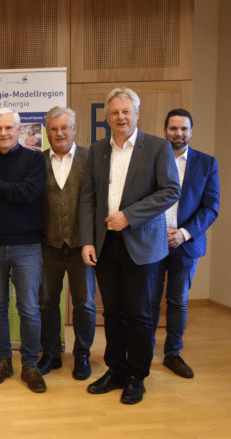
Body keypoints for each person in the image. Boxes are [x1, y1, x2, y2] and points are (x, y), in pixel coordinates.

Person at [79, 88, 180, 404]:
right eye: (114, 112)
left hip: (142, 244)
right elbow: (88, 198)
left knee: (138, 313)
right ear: (107, 117)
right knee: (112, 312)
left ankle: (137, 375)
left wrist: (129, 216)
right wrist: (87, 240)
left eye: (126, 111)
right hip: (106, 244)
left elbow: (170, 191)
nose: (120, 117)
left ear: (136, 113)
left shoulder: (158, 147)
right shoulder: (97, 150)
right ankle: (116, 369)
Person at [0, 108, 48, 393]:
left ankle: (30, 365)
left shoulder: (35, 159)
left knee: (29, 308)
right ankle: (2, 360)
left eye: (9, 128)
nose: (3, 133)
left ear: (19, 130)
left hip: (27, 246)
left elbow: (28, 193)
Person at [151, 109, 219, 379]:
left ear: (191, 131)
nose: (178, 133)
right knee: (149, 299)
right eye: (173, 128)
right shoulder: (153, 159)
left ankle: (172, 353)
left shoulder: (206, 163)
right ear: (165, 130)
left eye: (184, 129)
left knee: (178, 300)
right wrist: (158, 230)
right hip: (153, 241)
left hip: (186, 243)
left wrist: (184, 233)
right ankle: (145, 349)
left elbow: (211, 207)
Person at [36, 107, 97, 380]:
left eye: (64, 128)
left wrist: (91, 240)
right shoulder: (36, 161)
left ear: (74, 129)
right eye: (53, 129)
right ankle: (51, 353)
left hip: (81, 246)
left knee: (85, 303)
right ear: (47, 132)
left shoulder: (91, 158)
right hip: (47, 245)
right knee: (46, 302)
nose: (59, 133)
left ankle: (82, 353)